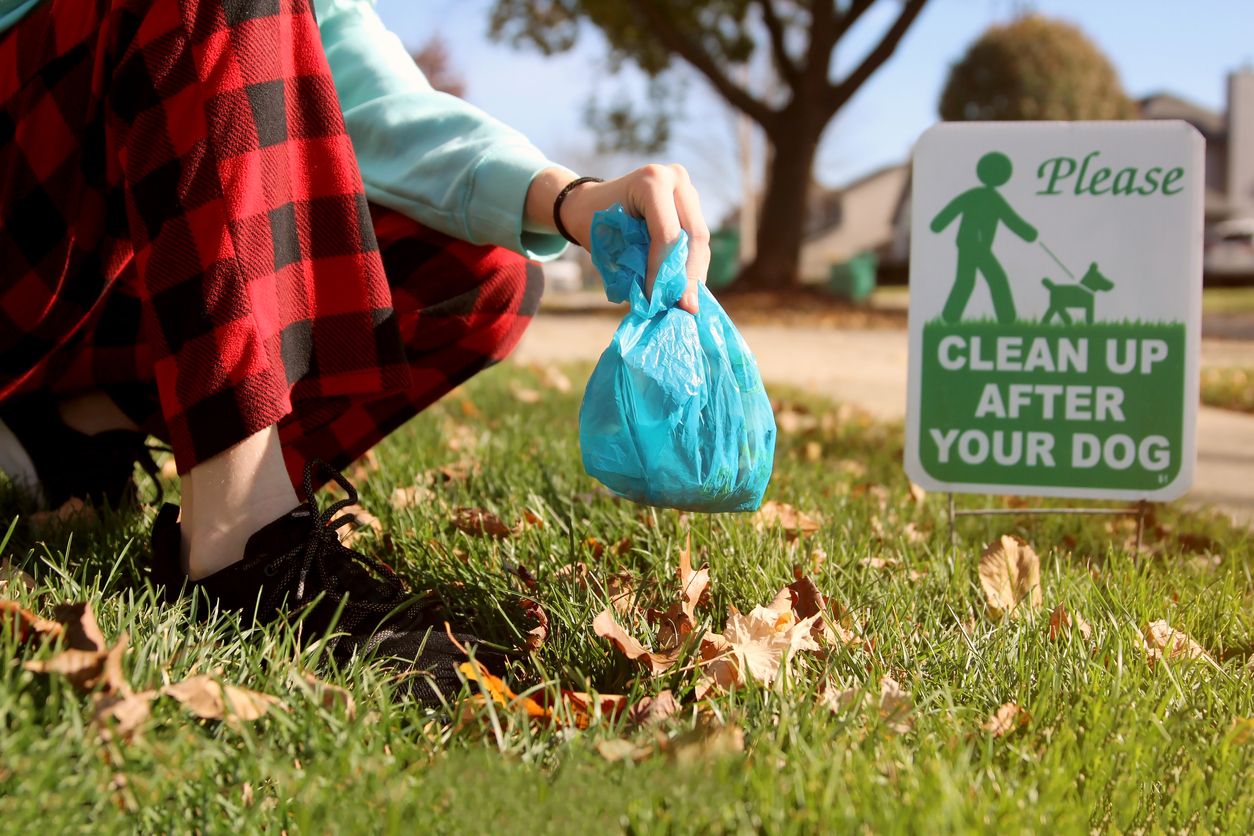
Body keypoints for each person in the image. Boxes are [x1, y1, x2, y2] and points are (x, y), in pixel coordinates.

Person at [0, 0, 710, 699]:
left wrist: (568, 198)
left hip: (93, 284)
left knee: (485, 277)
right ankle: (237, 542)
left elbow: (371, 97)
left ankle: (76, 434)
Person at [930, 151, 1037, 324]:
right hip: (975, 245)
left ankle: (950, 317)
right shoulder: (992, 198)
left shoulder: (977, 195)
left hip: (967, 244)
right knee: (997, 278)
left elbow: (953, 208)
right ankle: (1007, 318)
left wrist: (938, 225)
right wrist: (1029, 234)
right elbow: (1011, 220)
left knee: (966, 280)